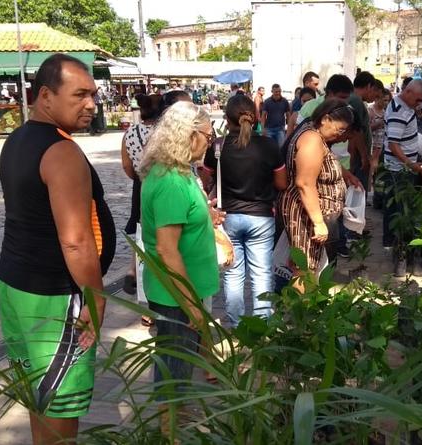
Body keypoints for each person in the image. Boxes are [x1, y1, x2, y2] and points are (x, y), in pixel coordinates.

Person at [0, 54, 116, 445]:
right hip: (54, 296)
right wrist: (96, 297)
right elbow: (75, 239)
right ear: (46, 96)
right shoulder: (62, 152)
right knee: (60, 406)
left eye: (93, 95)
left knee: (40, 396)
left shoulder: (17, 139)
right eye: (79, 95)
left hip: (16, 284)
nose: (91, 104)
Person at [138, 101, 220, 402]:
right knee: (174, 378)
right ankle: (171, 425)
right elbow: (167, 249)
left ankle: (174, 422)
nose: (210, 143)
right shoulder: (171, 181)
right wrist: (191, 304)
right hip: (177, 295)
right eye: (208, 136)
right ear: (190, 135)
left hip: (183, 290)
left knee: (179, 370)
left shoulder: (180, 172)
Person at [200, 95, 287, 327]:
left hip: (227, 216)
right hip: (261, 217)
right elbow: (281, 183)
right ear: (256, 117)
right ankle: (262, 324)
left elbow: (205, 178)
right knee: (262, 272)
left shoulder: (217, 146)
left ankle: (236, 325)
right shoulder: (269, 145)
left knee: (233, 272)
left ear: (227, 119)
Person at [278, 98, 355, 279]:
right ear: (325, 119)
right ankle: (302, 298)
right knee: (304, 269)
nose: (341, 135)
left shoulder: (316, 135)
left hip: (311, 214)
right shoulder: (312, 139)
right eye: (340, 129)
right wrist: (319, 222)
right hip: (304, 216)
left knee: (309, 267)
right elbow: (305, 183)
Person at [121, 94, 163, 299]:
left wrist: (139, 177)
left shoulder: (130, 133)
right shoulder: (163, 133)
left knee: (141, 227)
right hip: (162, 183)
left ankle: (134, 270)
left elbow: (126, 165)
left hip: (141, 184)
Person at [382, 79, 422, 248]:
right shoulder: (399, 112)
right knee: (397, 207)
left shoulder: (405, 106)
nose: (420, 103)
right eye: (418, 99)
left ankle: (395, 241)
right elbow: (393, 145)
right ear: (408, 92)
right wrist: (411, 164)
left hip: (402, 167)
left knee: (399, 205)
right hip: (398, 169)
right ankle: (392, 243)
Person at [368, 87, 391, 188]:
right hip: (371, 143)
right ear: (377, 98)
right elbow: (366, 129)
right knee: (370, 166)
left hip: (382, 144)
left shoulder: (386, 112)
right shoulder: (370, 110)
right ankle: (368, 188)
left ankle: (375, 187)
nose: (386, 103)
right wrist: (378, 124)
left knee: (377, 166)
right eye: (384, 100)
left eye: (388, 100)